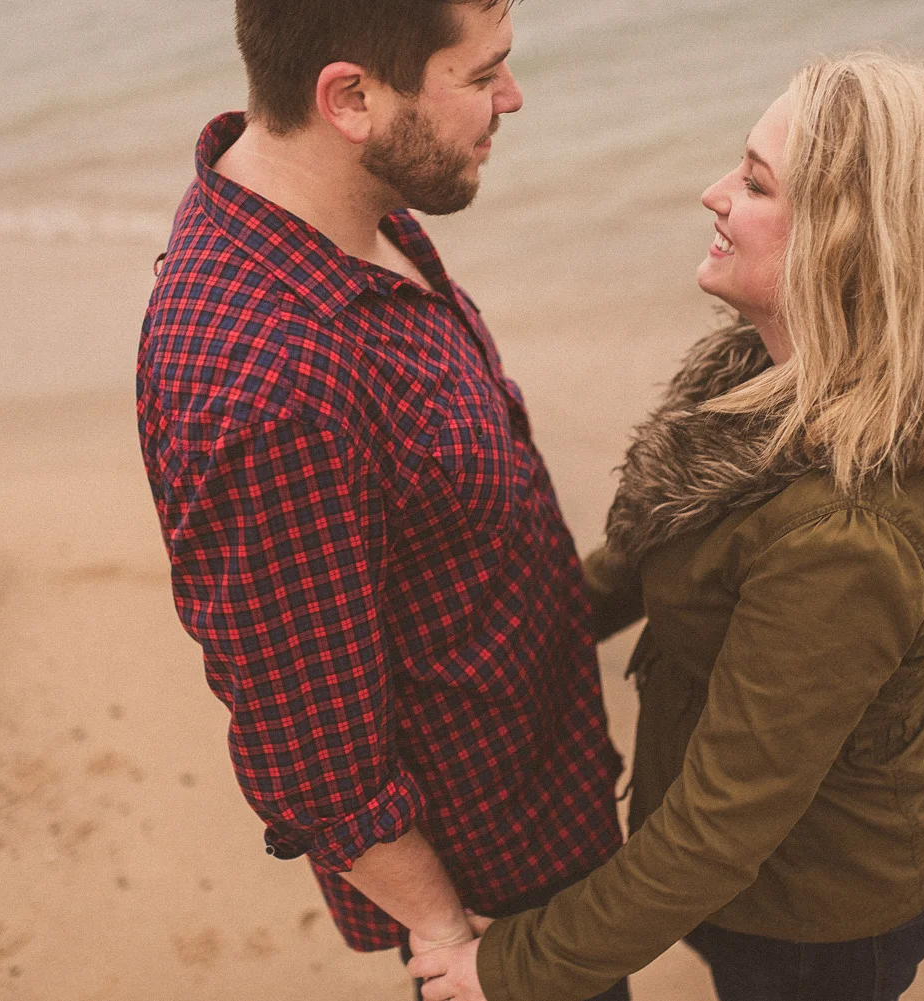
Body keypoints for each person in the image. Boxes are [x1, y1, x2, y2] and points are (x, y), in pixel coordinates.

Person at [409, 52, 924, 1001]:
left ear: (848, 241)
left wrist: (510, 967)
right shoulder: (761, 382)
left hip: (822, 918)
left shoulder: (845, 537)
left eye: (757, 184)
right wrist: (451, 646)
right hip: (743, 884)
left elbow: (717, 831)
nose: (713, 193)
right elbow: (639, 564)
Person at [135, 3, 629, 998]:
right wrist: (447, 932)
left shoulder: (357, 206)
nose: (512, 99)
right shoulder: (263, 386)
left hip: (545, 786)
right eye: (481, 75)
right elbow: (313, 750)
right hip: (491, 892)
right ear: (350, 98)